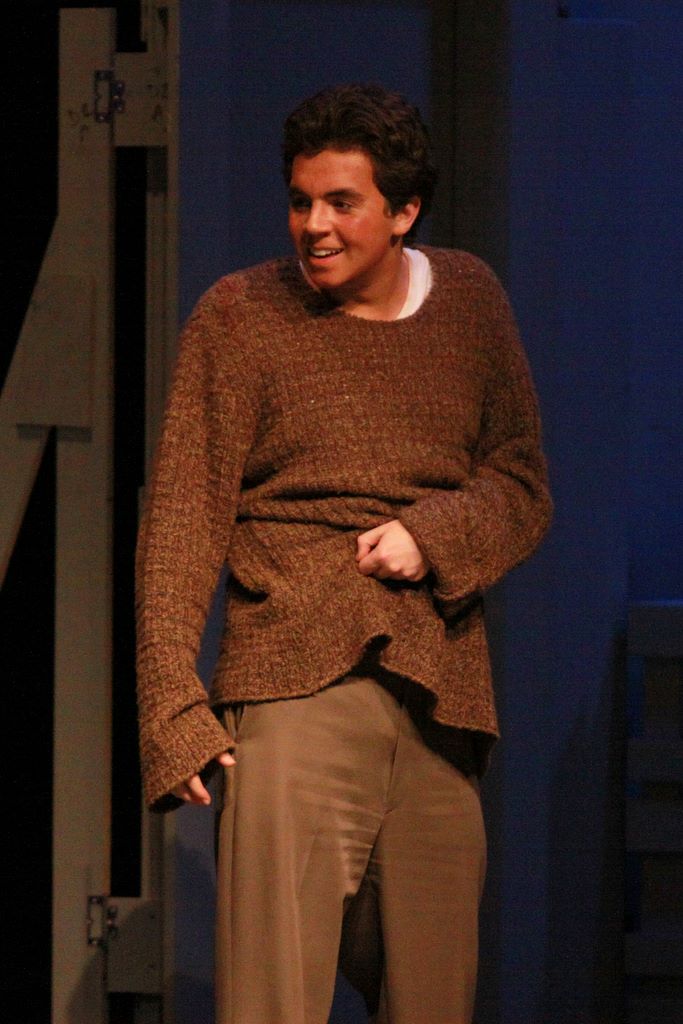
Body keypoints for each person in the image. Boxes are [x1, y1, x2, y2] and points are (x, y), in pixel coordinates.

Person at [136, 83, 552, 1024]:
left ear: (403, 212)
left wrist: (433, 535)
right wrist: (169, 704)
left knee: (434, 996)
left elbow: (522, 483)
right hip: (292, 689)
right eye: (299, 201)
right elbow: (182, 521)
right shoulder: (241, 317)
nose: (312, 227)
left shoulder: (470, 301)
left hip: (440, 696)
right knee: (273, 1000)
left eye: (340, 203)